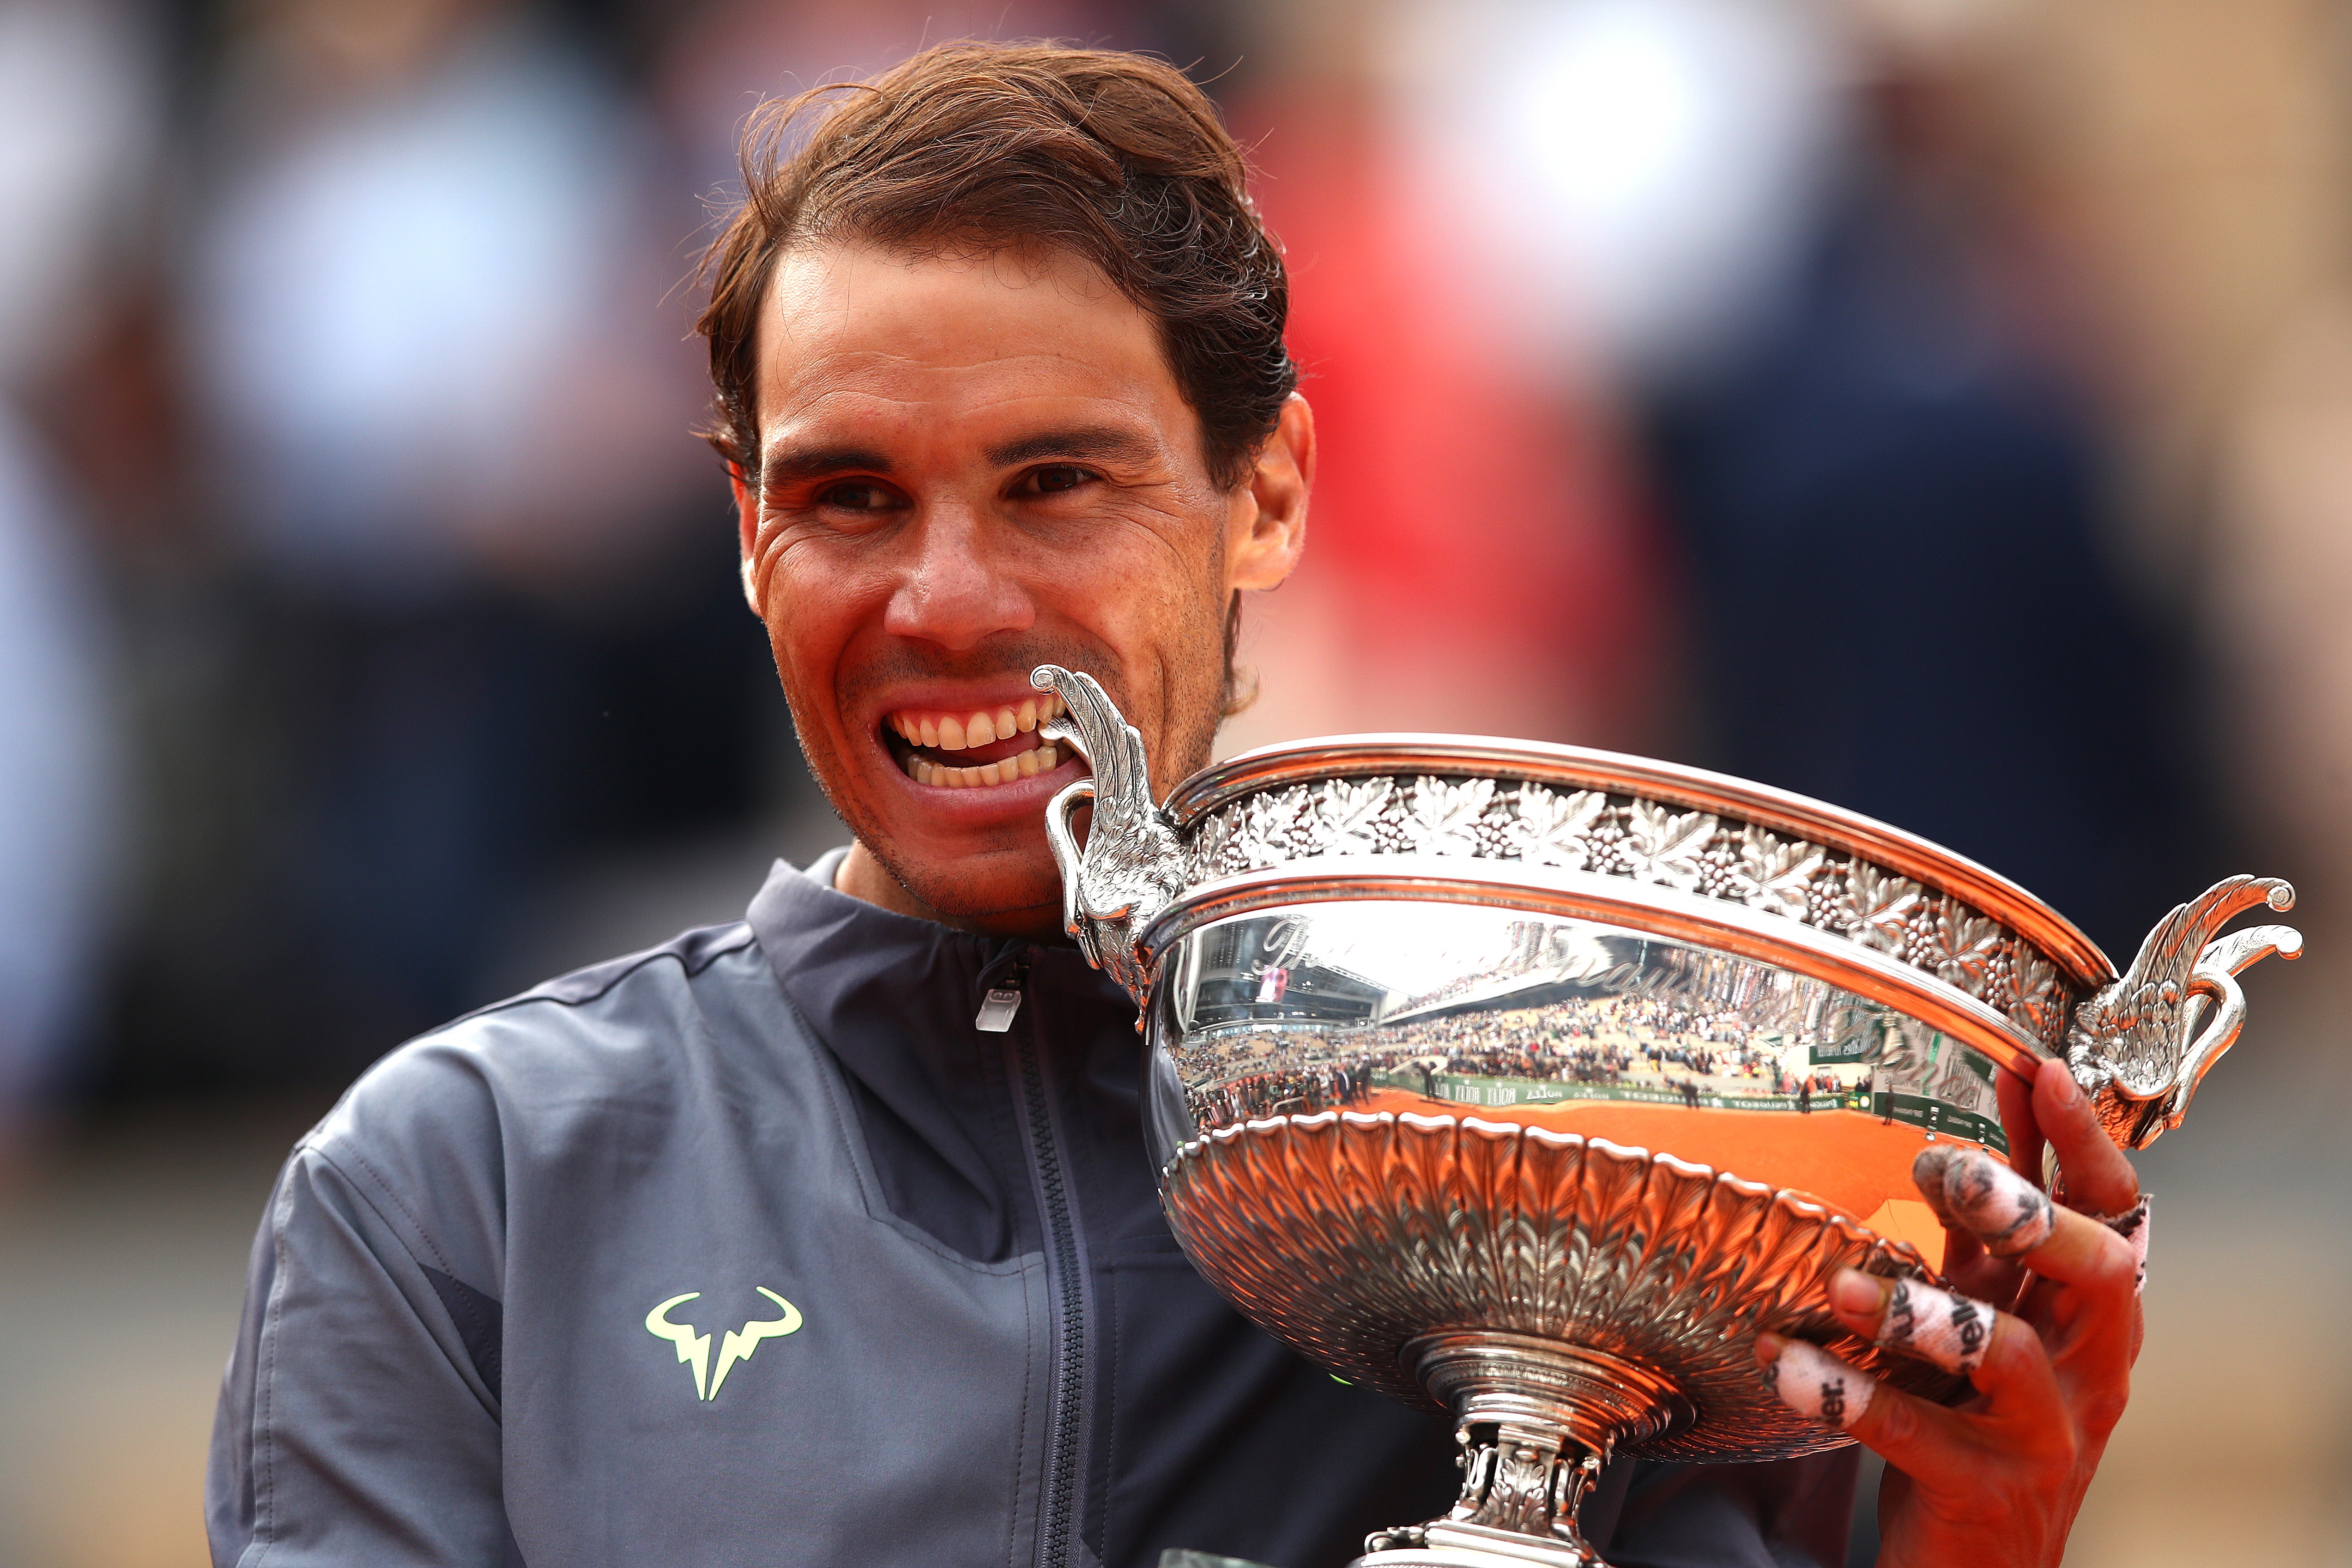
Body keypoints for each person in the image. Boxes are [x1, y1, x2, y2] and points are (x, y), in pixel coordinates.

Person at [206, 42, 2147, 1568]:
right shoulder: (459, 1194)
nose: (947, 604)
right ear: (742, 529)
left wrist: (1967, 1545)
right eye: (847, 497)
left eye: (1057, 485)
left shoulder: (1589, 1187)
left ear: (1270, 492)